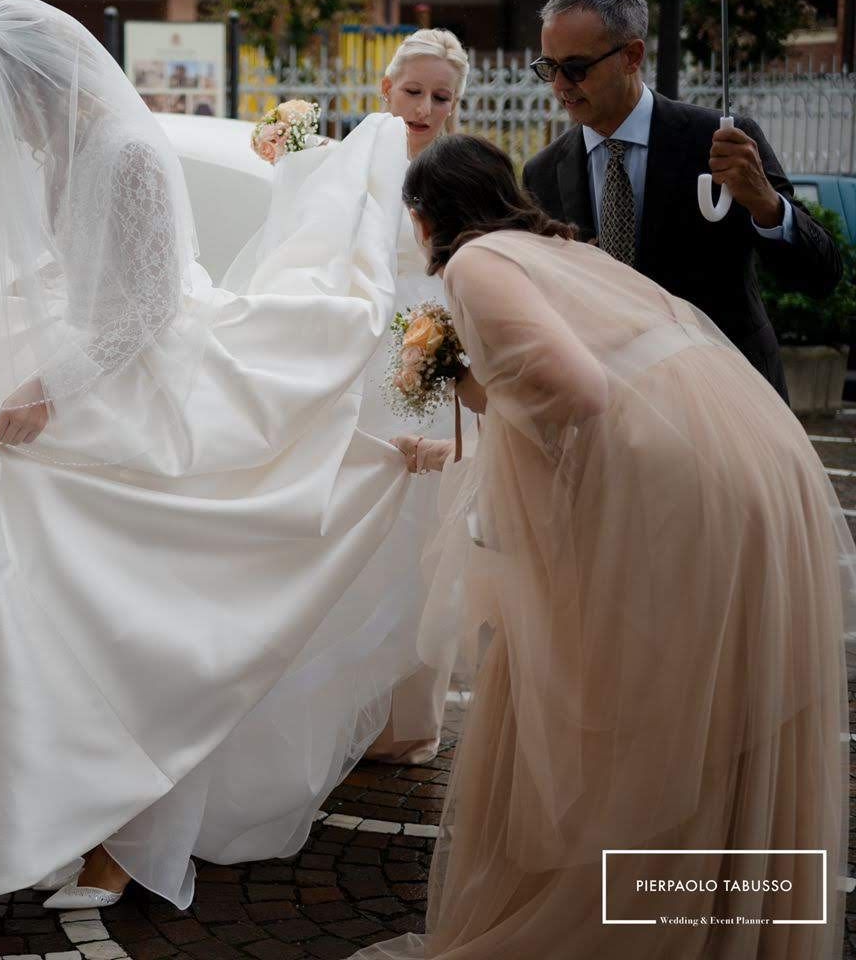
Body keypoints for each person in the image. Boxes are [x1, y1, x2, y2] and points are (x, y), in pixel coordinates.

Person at [0, 0, 422, 913]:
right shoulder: (68, 145)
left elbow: (140, 310)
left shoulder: (128, 151)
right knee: (36, 562)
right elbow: (79, 274)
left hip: (150, 389)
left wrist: (46, 391)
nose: (8, 137)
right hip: (98, 368)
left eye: (6, 111)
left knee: (113, 607)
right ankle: (66, 804)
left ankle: (119, 832)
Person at [355, 133, 853, 959]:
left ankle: (641, 930)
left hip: (684, 492)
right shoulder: (560, 246)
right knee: (716, 712)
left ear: (425, 217)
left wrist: (468, 386)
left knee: (653, 715)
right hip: (760, 457)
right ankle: (712, 925)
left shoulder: (475, 265)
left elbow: (576, 394)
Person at [522, 0, 841, 400]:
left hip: (728, 397)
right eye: (549, 68)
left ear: (632, 56)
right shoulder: (542, 172)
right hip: (612, 409)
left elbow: (820, 276)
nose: (561, 85)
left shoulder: (723, 142)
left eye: (576, 68)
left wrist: (766, 203)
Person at [356, 28, 470, 765]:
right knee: (366, 533)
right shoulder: (355, 166)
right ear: (386, 91)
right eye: (413, 91)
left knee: (426, 537)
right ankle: (354, 708)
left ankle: (409, 720)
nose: (425, 107)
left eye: (441, 96)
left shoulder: (462, 174)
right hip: (364, 356)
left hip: (433, 353)